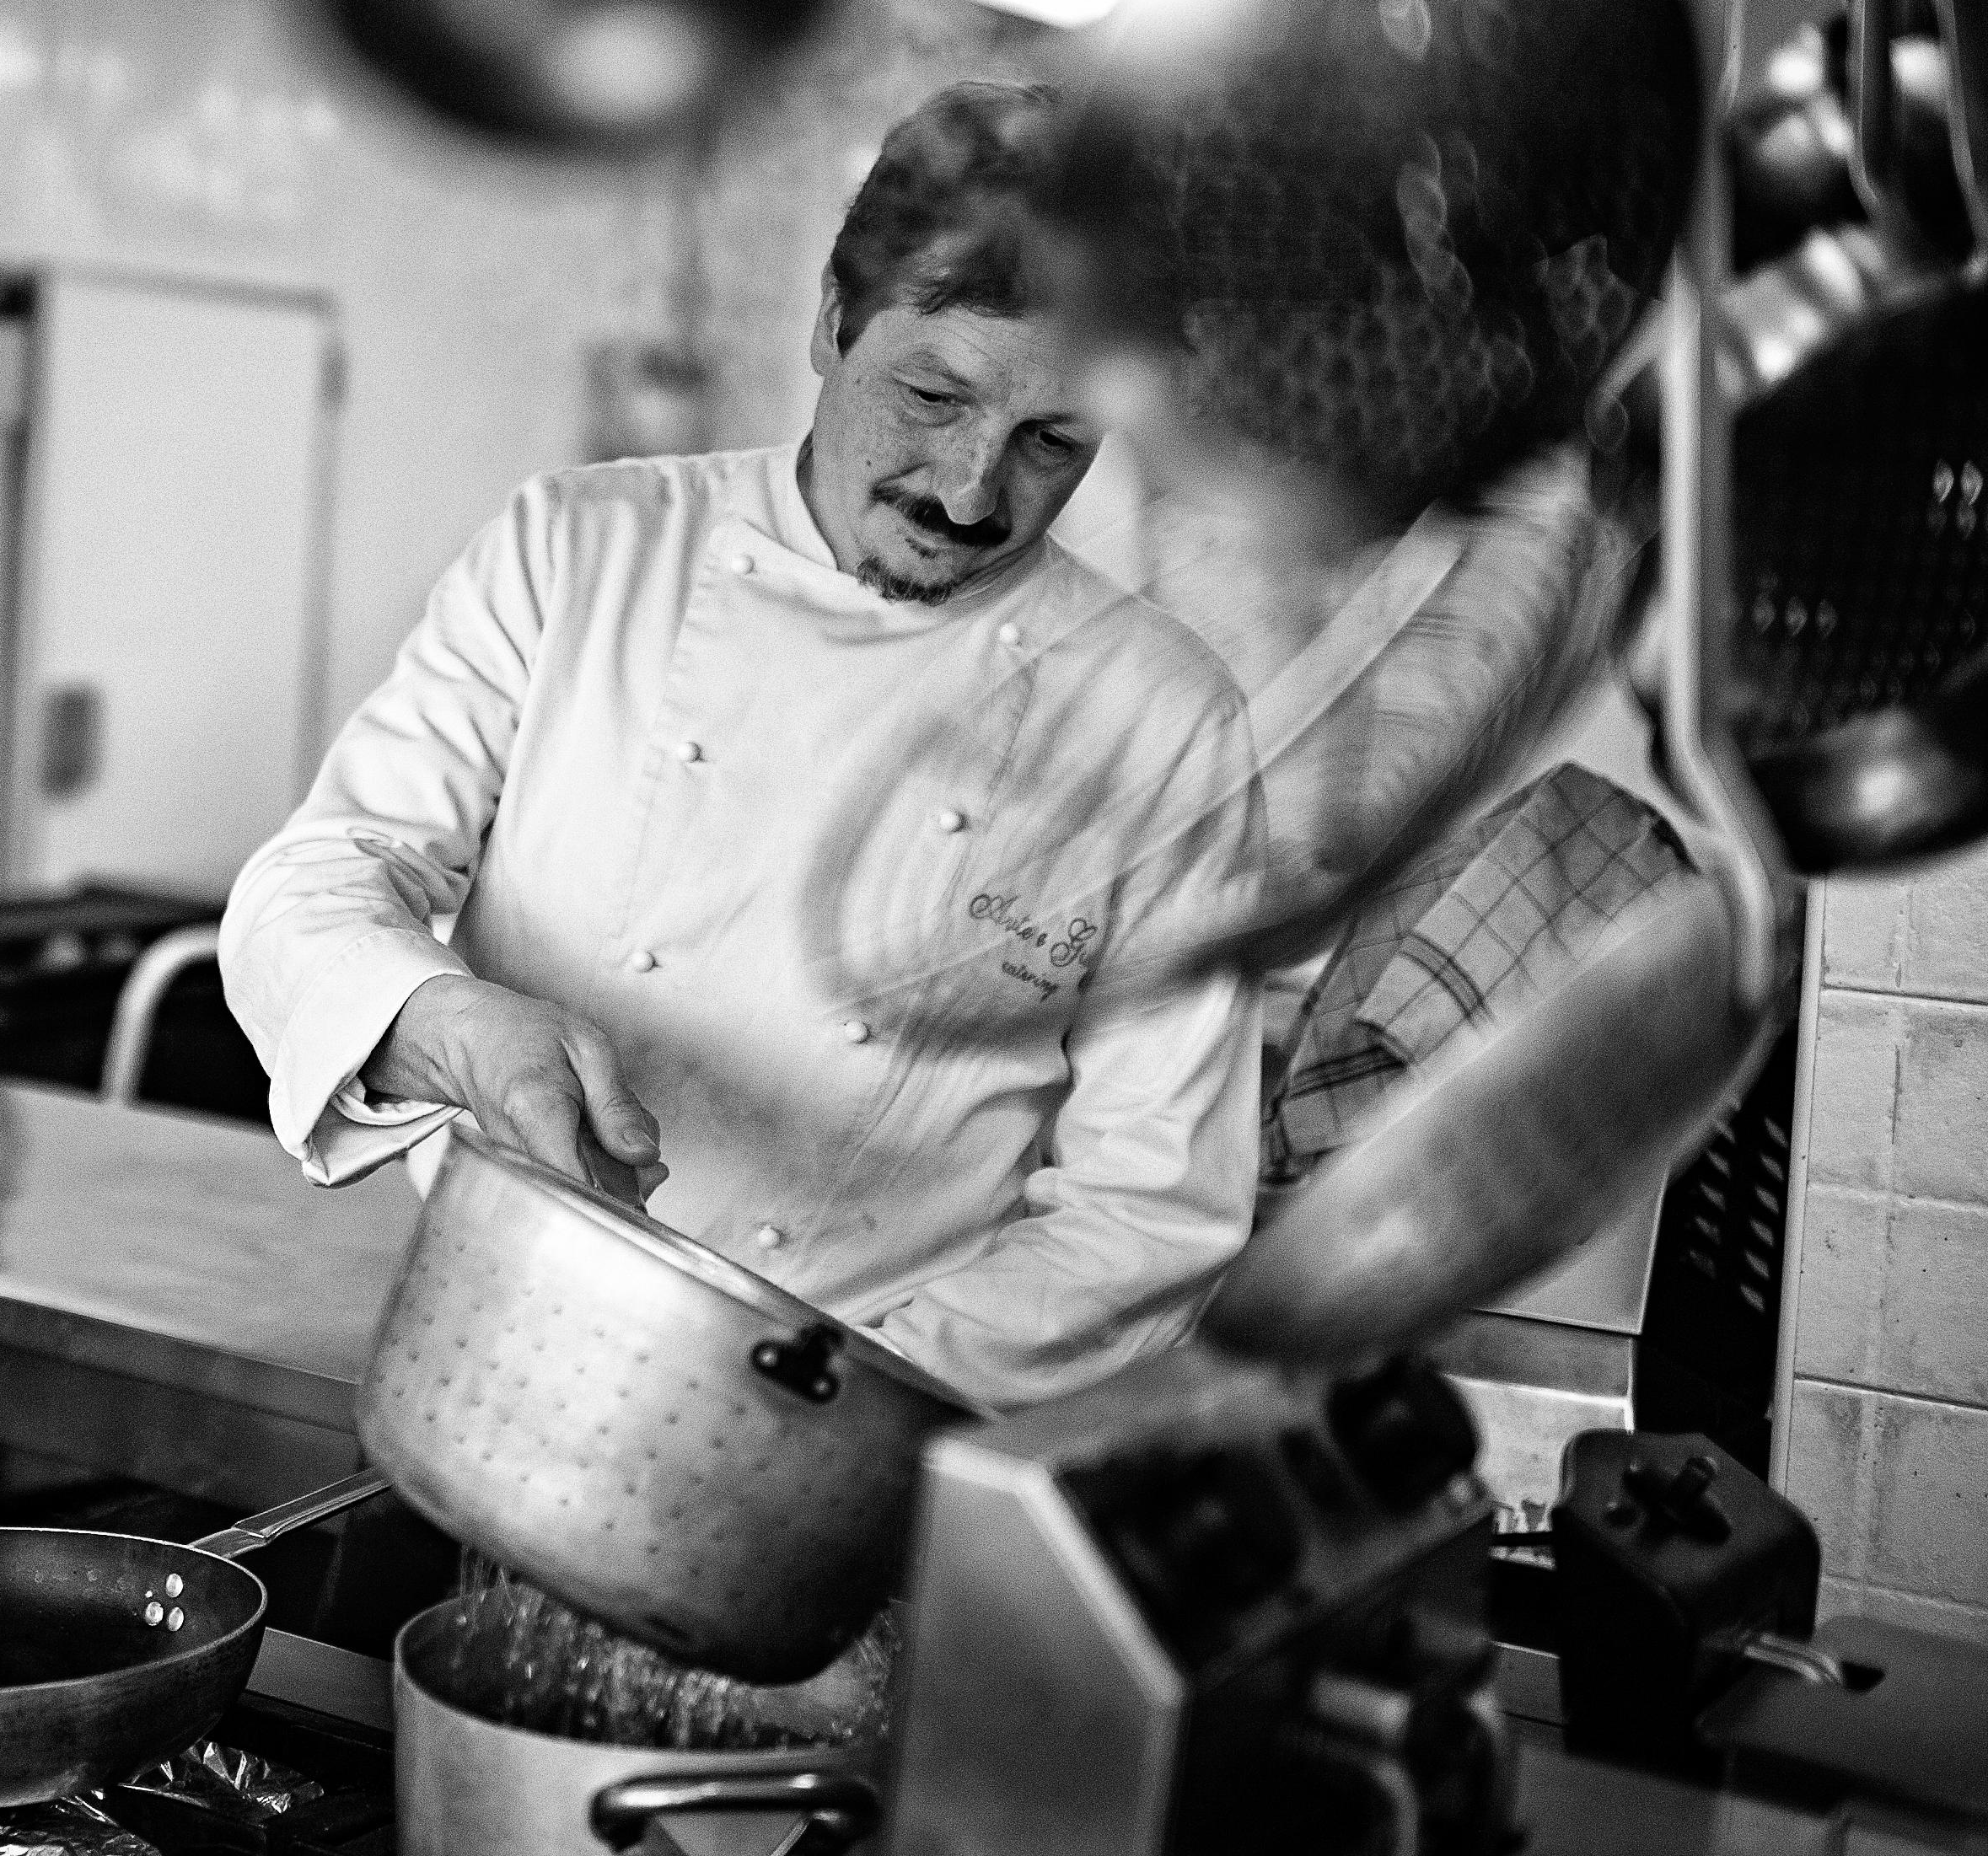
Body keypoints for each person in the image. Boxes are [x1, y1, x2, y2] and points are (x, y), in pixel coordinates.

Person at [223, 81, 1264, 1410]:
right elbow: (313, 885)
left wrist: (819, 1408)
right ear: (832, 322)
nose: (970, 491)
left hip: (868, 1425)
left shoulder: (1162, 721)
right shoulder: (582, 552)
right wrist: (447, 1023)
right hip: (500, 1345)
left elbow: (1147, 1211)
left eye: (1051, 443)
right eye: (933, 398)